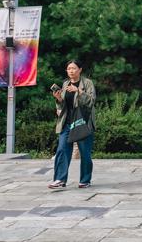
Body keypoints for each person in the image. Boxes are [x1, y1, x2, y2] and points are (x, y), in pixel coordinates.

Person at [48, 60, 96, 190]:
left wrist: (79, 91)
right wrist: (58, 99)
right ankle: (60, 179)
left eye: (74, 68)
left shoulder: (87, 83)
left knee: (84, 152)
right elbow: (63, 105)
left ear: (80, 69)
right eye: (69, 68)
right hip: (67, 122)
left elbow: (91, 102)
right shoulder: (65, 84)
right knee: (62, 149)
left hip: (82, 122)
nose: (71, 71)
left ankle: (85, 180)